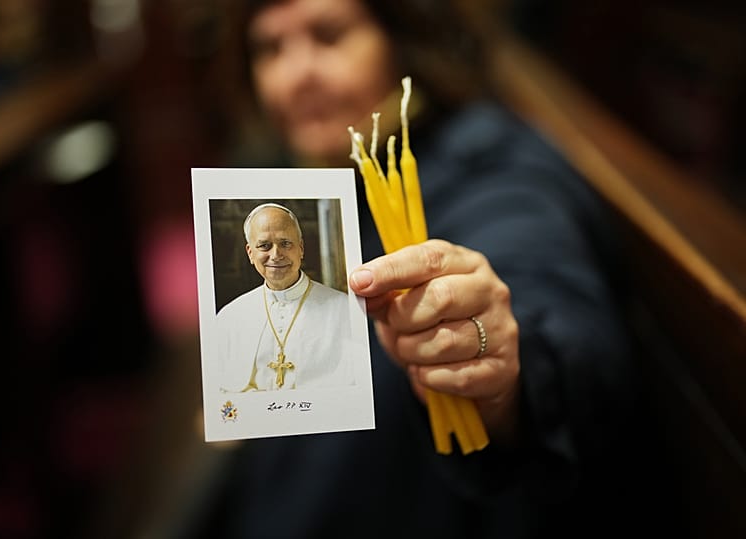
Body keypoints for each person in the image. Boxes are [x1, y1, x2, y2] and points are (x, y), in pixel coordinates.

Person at [186, 0, 676, 537]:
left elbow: (557, 311)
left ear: (403, 37)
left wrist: (506, 366)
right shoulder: (301, 168)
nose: (295, 74)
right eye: (269, 47)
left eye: (328, 35)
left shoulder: (488, 165)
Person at [214, 202, 355, 391]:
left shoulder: (345, 310)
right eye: (264, 246)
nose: (275, 255)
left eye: (285, 243)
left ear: (301, 248)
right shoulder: (229, 317)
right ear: (250, 253)